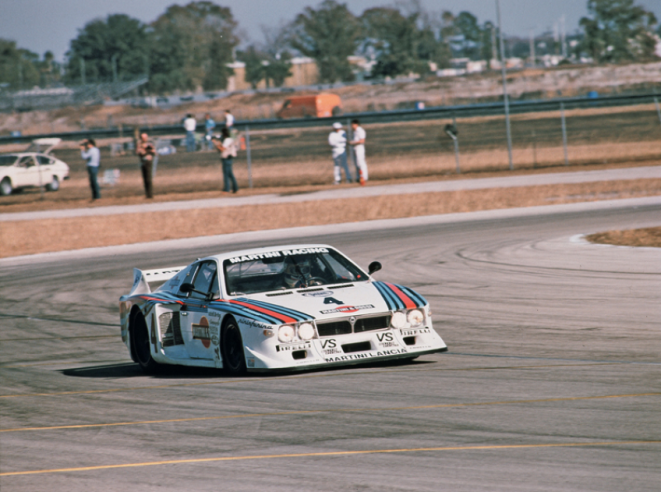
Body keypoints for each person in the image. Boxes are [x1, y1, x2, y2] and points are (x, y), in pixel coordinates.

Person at [213, 127, 238, 193]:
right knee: (230, 174)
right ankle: (235, 188)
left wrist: (215, 143)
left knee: (226, 174)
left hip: (227, 158)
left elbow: (221, 149)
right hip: (228, 158)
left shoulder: (227, 140)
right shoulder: (229, 139)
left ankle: (227, 189)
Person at [136, 133, 156, 198]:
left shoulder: (149, 144)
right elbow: (138, 152)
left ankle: (150, 194)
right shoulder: (139, 145)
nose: (144, 139)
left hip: (148, 163)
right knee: (144, 179)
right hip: (143, 162)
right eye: (142, 137)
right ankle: (147, 194)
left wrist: (148, 154)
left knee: (148, 179)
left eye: (145, 137)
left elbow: (153, 152)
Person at [349, 119, 368, 186]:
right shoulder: (355, 132)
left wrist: (353, 142)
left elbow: (362, 140)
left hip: (359, 148)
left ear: (355, 124)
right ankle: (359, 177)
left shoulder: (360, 131)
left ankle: (364, 177)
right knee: (357, 163)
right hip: (355, 148)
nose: (351, 126)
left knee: (361, 163)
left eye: (352, 125)